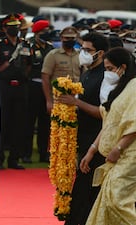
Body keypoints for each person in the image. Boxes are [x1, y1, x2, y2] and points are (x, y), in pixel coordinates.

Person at [80, 47, 136, 225]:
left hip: (129, 152)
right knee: (107, 199)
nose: (108, 73)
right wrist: (91, 150)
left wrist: (119, 148)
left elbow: (134, 122)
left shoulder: (134, 87)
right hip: (114, 154)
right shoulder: (118, 89)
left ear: (123, 67)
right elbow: (108, 123)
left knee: (117, 200)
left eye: (110, 69)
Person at [57, 32, 109, 225]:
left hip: (97, 140)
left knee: (86, 190)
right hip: (83, 136)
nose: (83, 53)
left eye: (88, 50)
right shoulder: (87, 72)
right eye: (82, 49)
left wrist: (76, 103)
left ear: (100, 53)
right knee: (81, 190)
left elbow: (105, 113)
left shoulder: (105, 76)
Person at [0, 13, 31, 169]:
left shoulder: (25, 44)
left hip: (20, 86)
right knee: (2, 123)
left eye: (16, 27)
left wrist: (24, 75)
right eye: (11, 27)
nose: (15, 29)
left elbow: (29, 64)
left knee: (19, 124)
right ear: (5, 28)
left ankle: (14, 159)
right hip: (3, 87)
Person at [24, 19, 54, 163]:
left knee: (45, 122)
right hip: (33, 86)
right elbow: (26, 67)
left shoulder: (49, 47)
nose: (46, 34)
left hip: (47, 87)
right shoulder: (29, 46)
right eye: (43, 32)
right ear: (36, 33)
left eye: (47, 31)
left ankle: (44, 152)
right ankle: (26, 153)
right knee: (29, 121)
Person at [42, 26, 81, 115]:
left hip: (75, 99)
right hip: (58, 99)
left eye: (72, 38)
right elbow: (45, 78)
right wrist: (49, 101)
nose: (70, 40)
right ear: (61, 38)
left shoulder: (79, 55)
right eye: (67, 38)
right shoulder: (53, 55)